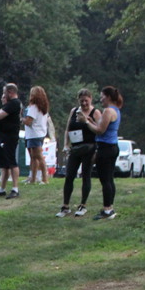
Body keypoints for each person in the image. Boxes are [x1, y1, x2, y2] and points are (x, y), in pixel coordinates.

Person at [57, 89, 101, 218]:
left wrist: (88, 121)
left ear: (91, 99)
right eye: (82, 101)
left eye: (86, 101)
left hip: (89, 148)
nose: (84, 103)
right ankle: (65, 206)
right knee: (69, 175)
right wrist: (66, 144)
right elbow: (68, 129)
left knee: (86, 175)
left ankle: (83, 205)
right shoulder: (74, 111)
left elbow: (100, 130)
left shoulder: (95, 112)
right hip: (75, 148)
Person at [81, 85, 122, 220]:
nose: (101, 99)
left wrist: (86, 122)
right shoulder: (116, 110)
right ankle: (110, 207)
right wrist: (92, 121)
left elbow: (100, 131)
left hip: (105, 149)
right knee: (109, 179)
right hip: (113, 147)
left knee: (105, 180)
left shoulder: (108, 111)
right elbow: (101, 126)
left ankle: (107, 210)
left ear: (108, 97)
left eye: (102, 97)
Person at [23, 86, 51, 185]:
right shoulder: (43, 108)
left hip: (33, 134)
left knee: (39, 157)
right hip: (40, 133)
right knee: (34, 157)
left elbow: (28, 122)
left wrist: (21, 119)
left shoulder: (33, 107)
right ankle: (33, 178)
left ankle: (45, 178)